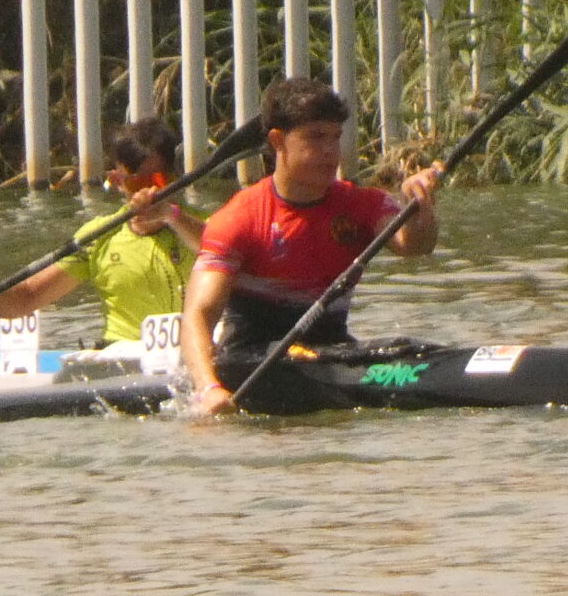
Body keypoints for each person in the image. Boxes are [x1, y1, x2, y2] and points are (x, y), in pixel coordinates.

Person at [180, 78, 444, 414]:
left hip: (331, 351)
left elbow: (414, 246)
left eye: (335, 137)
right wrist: (208, 388)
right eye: (316, 137)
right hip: (253, 362)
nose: (331, 151)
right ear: (278, 141)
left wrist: (420, 206)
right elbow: (198, 316)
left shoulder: (361, 204)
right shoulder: (238, 219)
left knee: (408, 350)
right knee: (301, 362)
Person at [0, 118, 205, 349]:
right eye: (137, 183)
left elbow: (221, 251)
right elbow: (28, 296)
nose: (148, 195)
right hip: (121, 354)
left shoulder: (207, 227)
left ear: (175, 179)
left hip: (193, 353)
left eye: (158, 182)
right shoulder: (99, 235)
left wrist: (171, 215)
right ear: (117, 181)